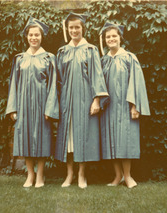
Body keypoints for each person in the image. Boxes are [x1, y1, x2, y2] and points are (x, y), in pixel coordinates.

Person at [55, 13, 109, 189]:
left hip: (85, 99)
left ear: (83, 28)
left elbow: (97, 76)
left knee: (84, 136)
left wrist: (96, 100)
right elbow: (59, 79)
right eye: (71, 27)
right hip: (67, 101)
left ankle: (81, 175)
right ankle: (69, 174)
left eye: (77, 27)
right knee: (68, 139)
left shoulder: (91, 50)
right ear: (67, 29)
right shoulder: (63, 51)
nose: (74, 30)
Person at [5, 17, 59, 188]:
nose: (34, 37)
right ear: (26, 36)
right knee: (25, 138)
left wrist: (50, 108)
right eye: (31, 35)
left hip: (42, 104)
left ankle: (41, 176)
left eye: (37, 34)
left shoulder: (49, 58)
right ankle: (30, 175)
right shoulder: (19, 59)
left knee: (43, 138)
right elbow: (14, 83)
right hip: (24, 105)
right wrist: (13, 108)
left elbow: (53, 85)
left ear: (41, 36)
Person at [99, 22, 150, 188]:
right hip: (109, 107)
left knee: (125, 140)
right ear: (105, 40)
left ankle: (128, 176)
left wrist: (134, 106)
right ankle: (118, 176)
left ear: (120, 38)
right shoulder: (104, 60)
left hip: (125, 107)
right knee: (111, 140)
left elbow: (136, 83)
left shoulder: (129, 58)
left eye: (114, 36)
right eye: (108, 37)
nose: (111, 39)